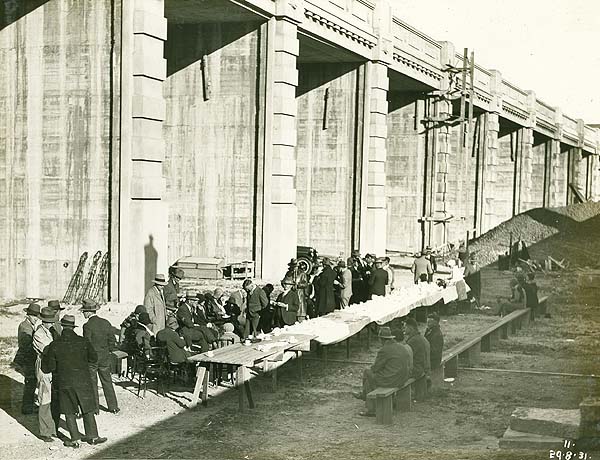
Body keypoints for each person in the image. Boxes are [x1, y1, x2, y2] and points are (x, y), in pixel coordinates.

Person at [41, 315, 107, 448]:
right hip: (83, 380)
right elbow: (93, 358)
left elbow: (50, 368)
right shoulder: (83, 341)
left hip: (64, 381)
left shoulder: (55, 344)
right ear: (73, 327)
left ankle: (75, 439)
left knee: (69, 411)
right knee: (87, 408)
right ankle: (93, 436)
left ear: (62, 327)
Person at [353, 327, 411, 417]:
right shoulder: (401, 347)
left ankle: (370, 406)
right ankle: (366, 396)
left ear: (381, 339)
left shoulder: (384, 350)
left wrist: (373, 369)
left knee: (367, 373)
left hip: (392, 380)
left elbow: (375, 368)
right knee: (371, 378)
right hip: (403, 379)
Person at [81, 299, 120, 414]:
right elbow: (112, 339)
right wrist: (108, 350)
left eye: (84, 311)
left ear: (88, 312)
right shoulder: (106, 322)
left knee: (93, 383)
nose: (83, 313)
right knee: (107, 381)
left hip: (92, 359)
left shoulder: (87, 326)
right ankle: (113, 406)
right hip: (104, 356)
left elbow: (86, 343)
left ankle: (95, 408)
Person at [33, 307, 60, 442]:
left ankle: (52, 428)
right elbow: (48, 351)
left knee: (52, 398)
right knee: (44, 398)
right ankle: (44, 432)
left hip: (51, 365)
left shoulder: (50, 331)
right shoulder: (39, 334)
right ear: (43, 321)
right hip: (44, 366)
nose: (52, 324)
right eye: (49, 321)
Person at [13, 303, 41, 415]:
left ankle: (28, 406)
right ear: (28, 315)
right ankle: (27, 408)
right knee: (30, 382)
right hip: (27, 359)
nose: (36, 319)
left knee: (31, 383)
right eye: (34, 316)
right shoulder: (25, 327)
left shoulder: (29, 325)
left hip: (28, 359)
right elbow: (26, 345)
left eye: (37, 317)